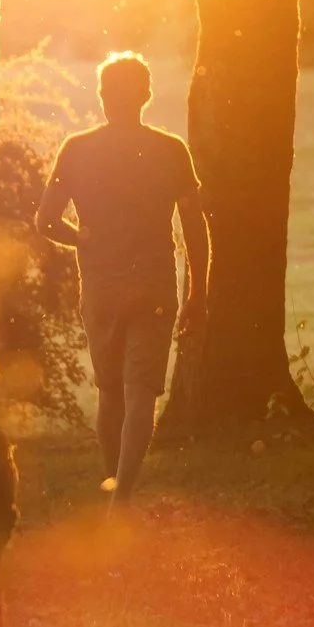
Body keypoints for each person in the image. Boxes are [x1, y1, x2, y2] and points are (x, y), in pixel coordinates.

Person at [34, 52, 209, 506]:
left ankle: (113, 485)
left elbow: (45, 221)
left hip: (101, 290)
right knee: (138, 395)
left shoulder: (76, 149)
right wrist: (199, 294)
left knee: (110, 393)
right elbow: (195, 227)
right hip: (153, 288)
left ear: (102, 95)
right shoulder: (172, 150)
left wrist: (82, 238)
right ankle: (122, 498)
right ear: (146, 95)